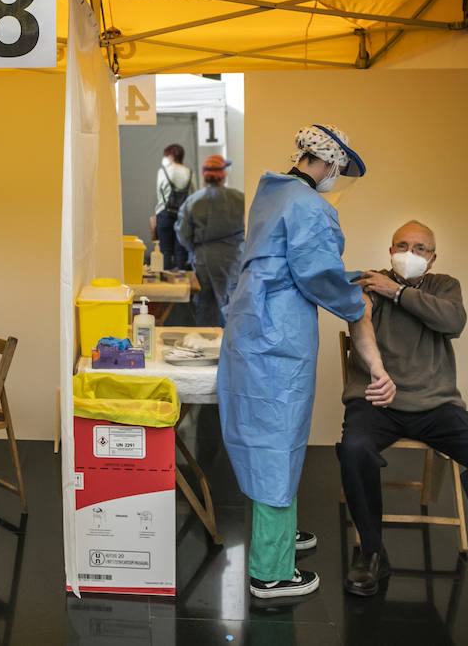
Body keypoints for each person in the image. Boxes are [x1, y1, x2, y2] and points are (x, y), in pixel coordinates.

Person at [217, 124, 395, 600]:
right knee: (279, 441)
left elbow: (280, 260)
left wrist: (352, 275)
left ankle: (280, 529)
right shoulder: (311, 206)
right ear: (329, 162)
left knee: (265, 438)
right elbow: (316, 273)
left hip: (251, 327)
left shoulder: (272, 193)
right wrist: (357, 302)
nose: (340, 176)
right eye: (341, 168)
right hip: (277, 339)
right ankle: (271, 572)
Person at [345, 221, 468, 635]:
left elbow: (453, 323)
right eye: (402, 245)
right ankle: (372, 552)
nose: (409, 252)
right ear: (389, 247)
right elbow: (358, 326)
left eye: (420, 248)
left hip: (436, 405)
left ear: (432, 258)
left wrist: (397, 292)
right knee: (353, 447)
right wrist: (377, 369)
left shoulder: (443, 286)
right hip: (377, 400)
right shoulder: (367, 284)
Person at [176, 155, 245, 326]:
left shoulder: (193, 201)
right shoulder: (240, 198)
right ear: (224, 175)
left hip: (204, 260)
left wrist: (194, 249)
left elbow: (183, 234)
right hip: (234, 257)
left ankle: (205, 345)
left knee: (205, 305)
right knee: (233, 304)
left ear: (203, 175)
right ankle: (231, 347)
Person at [153, 143, 193, 272]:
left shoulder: (162, 172)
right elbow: (193, 195)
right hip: (183, 215)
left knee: (165, 250)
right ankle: (182, 287)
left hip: (164, 214)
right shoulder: (189, 172)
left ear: (170, 157)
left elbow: (160, 194)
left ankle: (165, 287)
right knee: (181, 250)